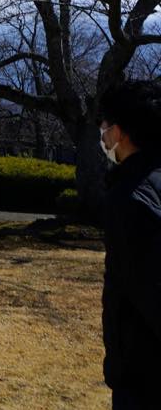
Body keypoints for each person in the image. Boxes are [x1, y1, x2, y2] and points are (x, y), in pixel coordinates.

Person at [98, 79, 161, 409]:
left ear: (119, 132)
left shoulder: (129, 199)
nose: (102, 133)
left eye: (105, 125)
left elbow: (149, 291)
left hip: (144, 373)